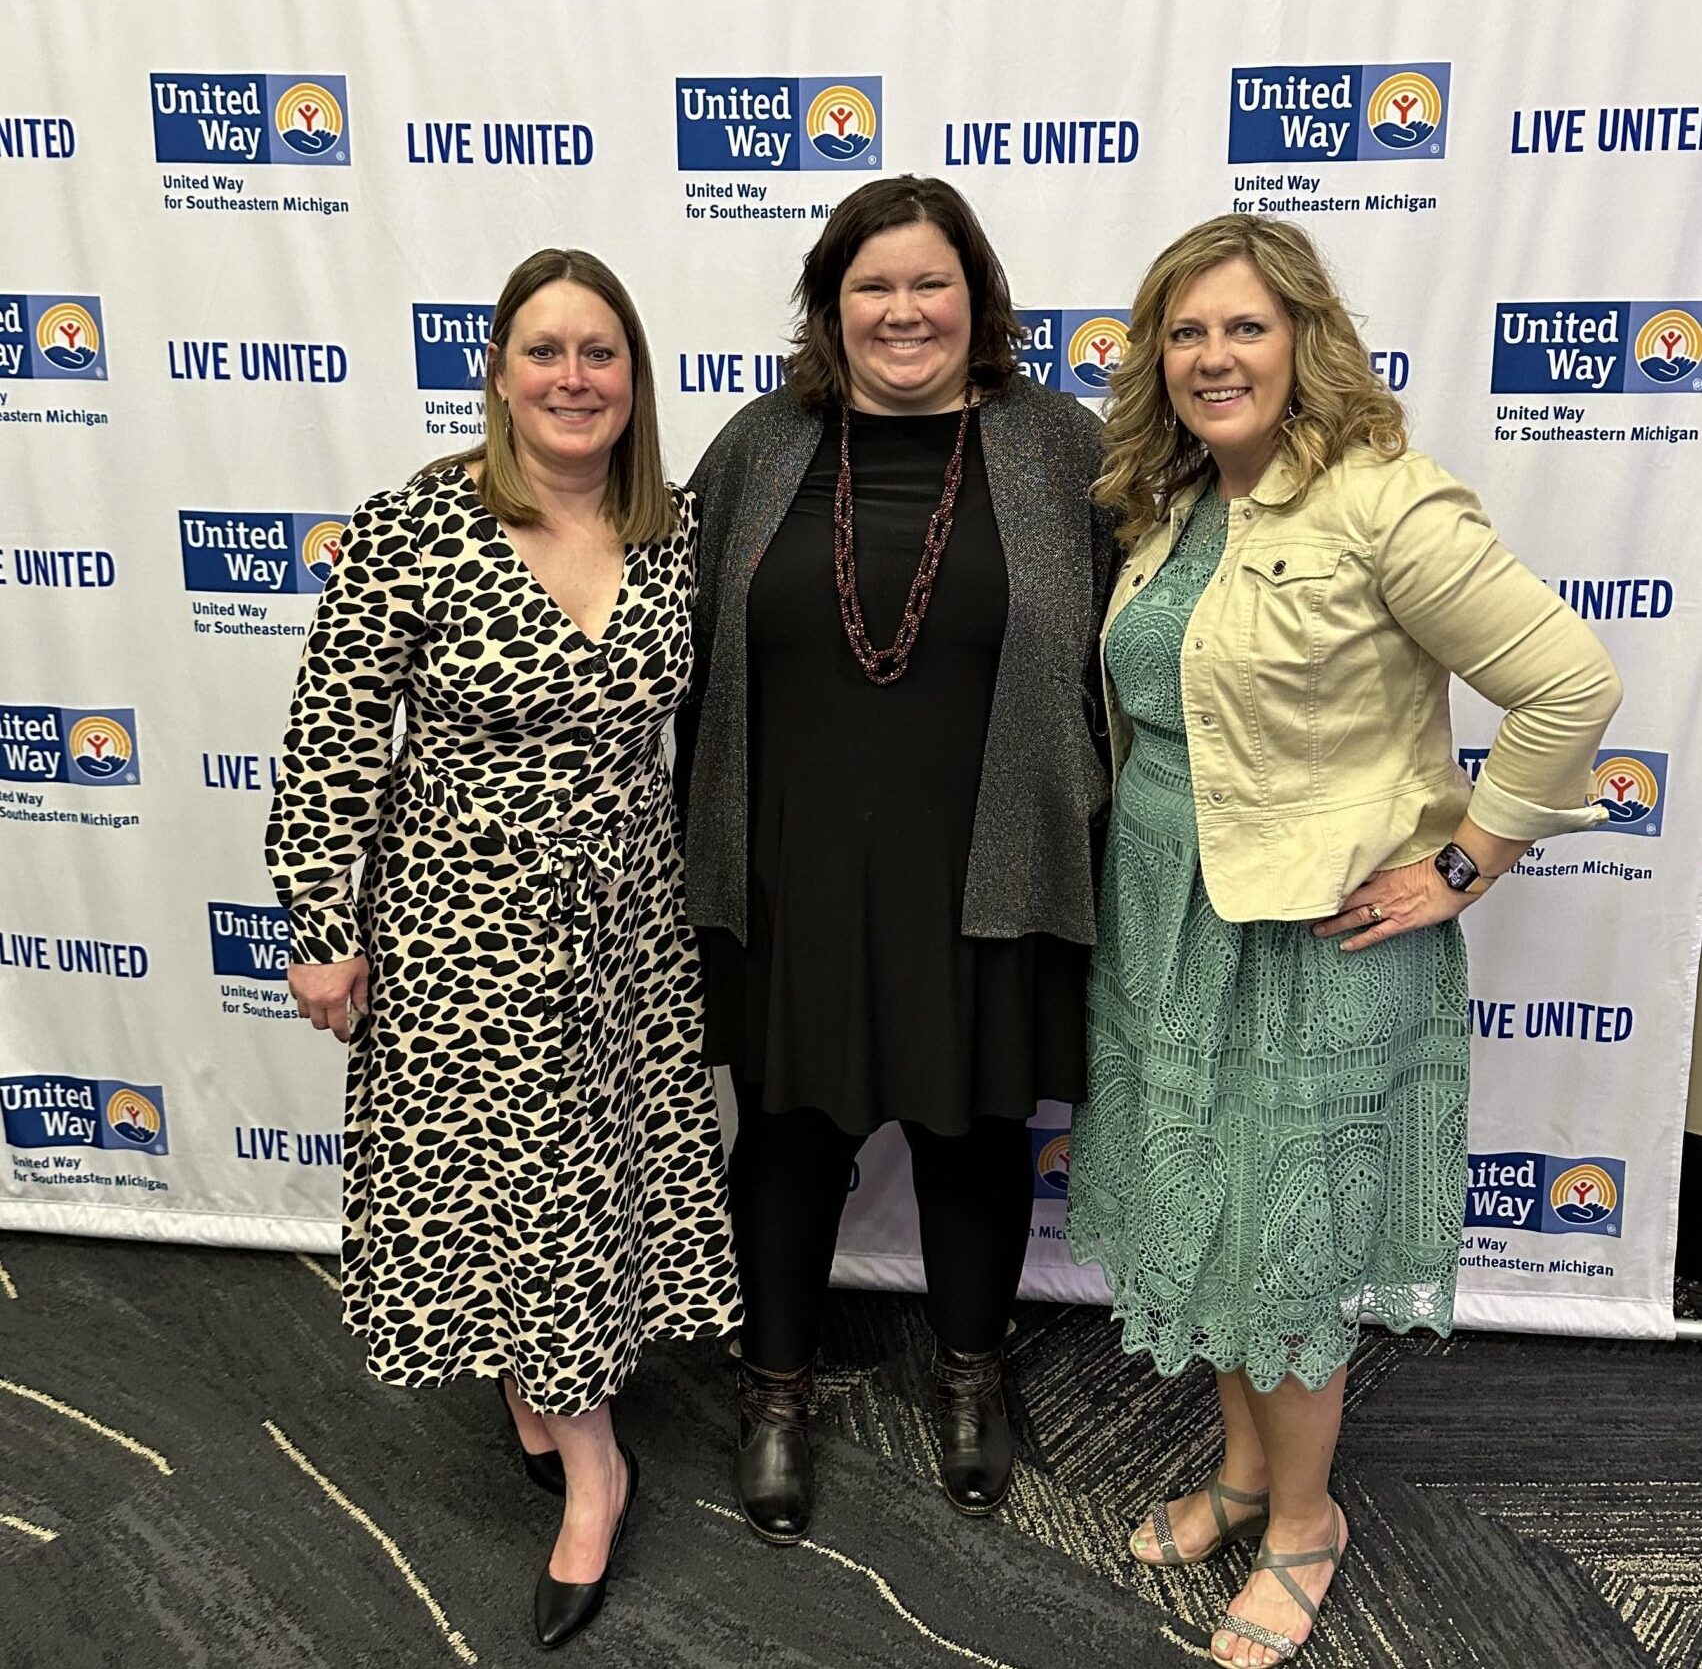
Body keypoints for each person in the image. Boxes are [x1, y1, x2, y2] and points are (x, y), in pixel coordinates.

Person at [1066, 215, 1621, 1666]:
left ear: (1307, 338)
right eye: (1183, 332)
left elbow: (1568, 684)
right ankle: (1249, 1476)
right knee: (1211, 1211)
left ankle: (1306, 1522)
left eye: (1242, 326)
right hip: (1166, 901)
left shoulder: (1386, 500)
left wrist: (1468, 858)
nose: (1209, 356)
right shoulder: (1170, 499)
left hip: (1316, 935)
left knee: (1285, 1237)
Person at [266, 248, 740, 1649]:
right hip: (460, 924)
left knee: (578, 1182)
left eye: (601, 353)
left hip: (624, 926)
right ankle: (596, 1464)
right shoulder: (418, 525)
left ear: (633, 379)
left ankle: (552, 1386)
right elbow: (333, 736)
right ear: (499, 371)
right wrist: (319, 923)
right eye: (546, 352)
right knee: (508, 1184)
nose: (574, 378)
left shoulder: (676, 528)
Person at [679, 175, 1115, 1543]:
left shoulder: (1055, 447)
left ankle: (973, 1379)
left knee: (976, 1130)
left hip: (984, 859)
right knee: (789, 1137)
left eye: (930, 282)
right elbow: (673, 646)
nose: (902, 310)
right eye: (872, 286)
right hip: (788, 863)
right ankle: (775, 1391)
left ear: (977, 299)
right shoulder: (758, 444)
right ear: (829, 304)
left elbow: (1135, 640)